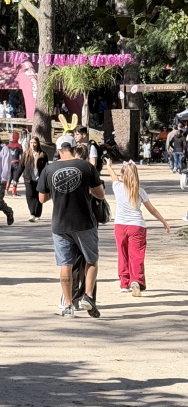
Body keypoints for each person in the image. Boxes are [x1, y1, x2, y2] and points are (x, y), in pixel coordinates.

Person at [38, 135, 106, 318]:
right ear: (75, 148)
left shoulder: (49, 169)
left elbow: (42, 198)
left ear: (58, 150)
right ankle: (88, 296)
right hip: (85, 222)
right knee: (91, 260)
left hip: (60, 223)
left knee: (65, 264)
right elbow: (100, 195)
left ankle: (68, 305)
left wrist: (59, 190)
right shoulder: (87, 167)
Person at [105, 159, 169, 296]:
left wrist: (108, 164)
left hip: (120, 226)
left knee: (122, 254)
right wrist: (163, 221)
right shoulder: (140, 191)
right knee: (136, 256)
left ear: (123, 175)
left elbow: (111, 173)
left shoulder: (117, 187)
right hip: (137, 226)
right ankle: (136, 280)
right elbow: (152, 210)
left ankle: (124, 283)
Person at [17, 137, 48, 222]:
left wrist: (46, 178)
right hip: (28, 178)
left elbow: (46, 168)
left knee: (38, 196)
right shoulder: (26, 154)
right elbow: (21, 167)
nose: (33, 144)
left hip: (39, 179)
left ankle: (37, 214)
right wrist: (15, 179)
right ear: (29, 144)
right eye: (31, 143)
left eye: (34, 143)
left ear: (37, 143)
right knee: (30, 195)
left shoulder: (43, 154)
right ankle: (32, 214)